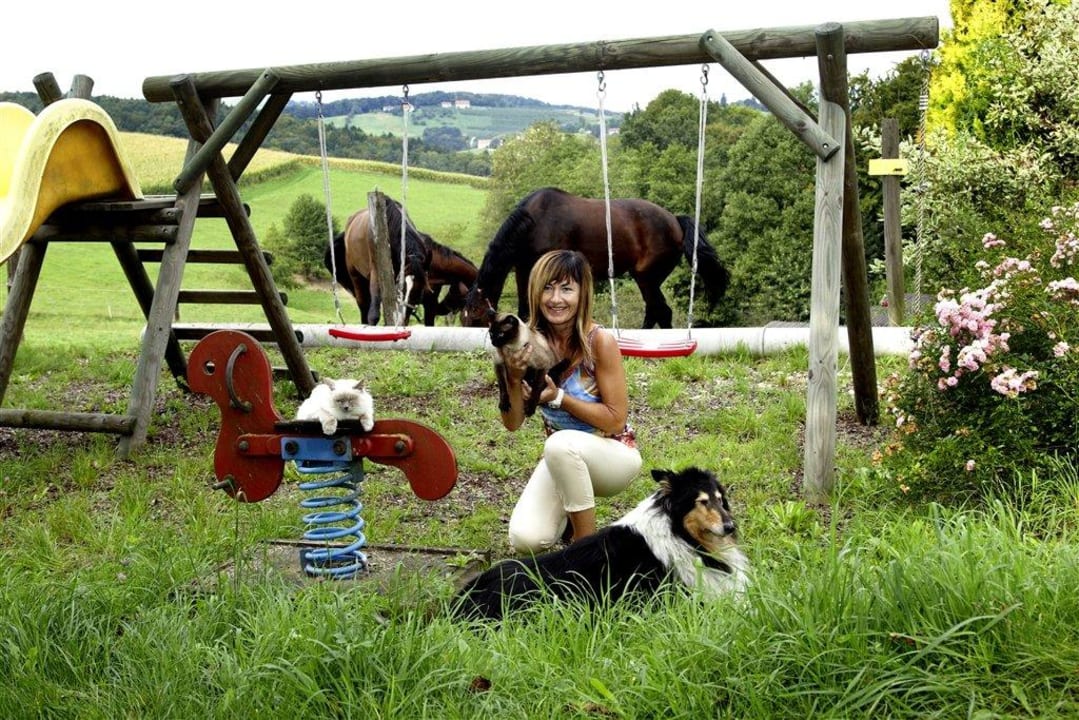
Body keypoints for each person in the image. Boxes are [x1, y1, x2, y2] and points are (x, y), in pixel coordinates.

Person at [497, 249, 642, 553]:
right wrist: (512, 376)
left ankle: (585, 549)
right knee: (526, 539)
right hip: (563, 459)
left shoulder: (599, 341)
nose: (556, 299)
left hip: (614, 456)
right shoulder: (527, 343)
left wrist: (560, 398)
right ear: (535, 292)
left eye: (566, 288)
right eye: (547, 288)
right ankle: (565, 520)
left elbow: (616, 419)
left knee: (559, 444)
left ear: (582, 293)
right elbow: (512, 424)